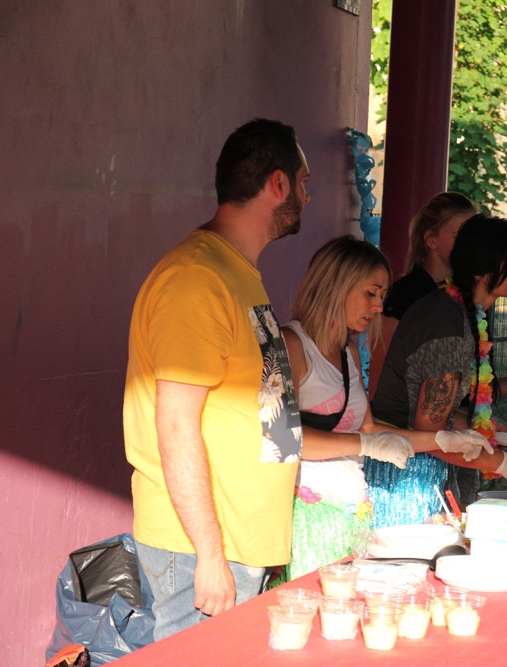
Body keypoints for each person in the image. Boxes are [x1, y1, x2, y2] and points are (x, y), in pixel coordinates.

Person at [124, 119, 310, 640]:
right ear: (278, 184)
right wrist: (209, 552)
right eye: (304, 182)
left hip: (240, 544)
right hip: (200, 551)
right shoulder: (197, 278)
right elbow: (175, 425)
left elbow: (265, 413)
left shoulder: (235, 271)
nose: (308, 196)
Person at [279, 236, 489, 578]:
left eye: (382, 296)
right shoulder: (293, 344)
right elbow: (286, 440)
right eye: (370, 293)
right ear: (336, 286)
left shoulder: (346, 350)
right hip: (307, 520)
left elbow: (370, 429)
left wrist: (443, 439)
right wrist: (366, 444)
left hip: (352, 516)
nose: (378, 306)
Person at [367, 214, 507, 528]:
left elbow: (434, 410)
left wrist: (481, 429)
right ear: (483, 271)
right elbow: (432, 433)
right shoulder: (447, 327)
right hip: (405, 481)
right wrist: (504, 463)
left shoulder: (455, 311)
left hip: (411, 467)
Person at [368, 192, 479, 396]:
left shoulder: (470, 293)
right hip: (409, 413)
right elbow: (380, 373)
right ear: (431, 240)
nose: (471, 244)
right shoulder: (405, 295)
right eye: (460, 236)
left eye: (475, 236)